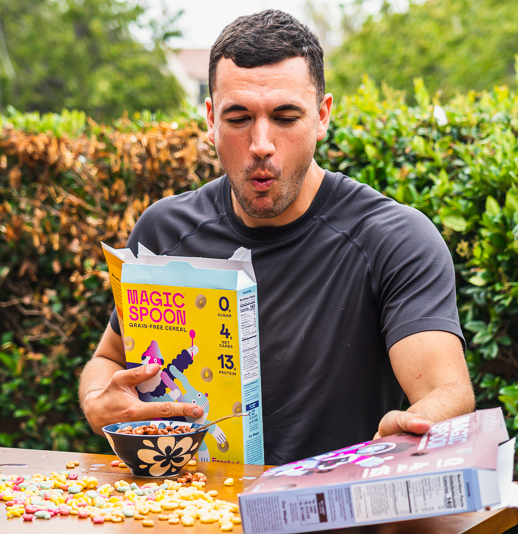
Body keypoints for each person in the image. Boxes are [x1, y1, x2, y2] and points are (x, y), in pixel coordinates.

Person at [79, 9, 474, 466]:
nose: (262, 143)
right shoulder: (163, 230)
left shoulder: (394, 239)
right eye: (239, 117)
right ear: (210, 119)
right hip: (184, 510)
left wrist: (416, 424)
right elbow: (107, 360)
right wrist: (97, 399)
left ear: (322, 117)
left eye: (286, 117)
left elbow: (447, 391)